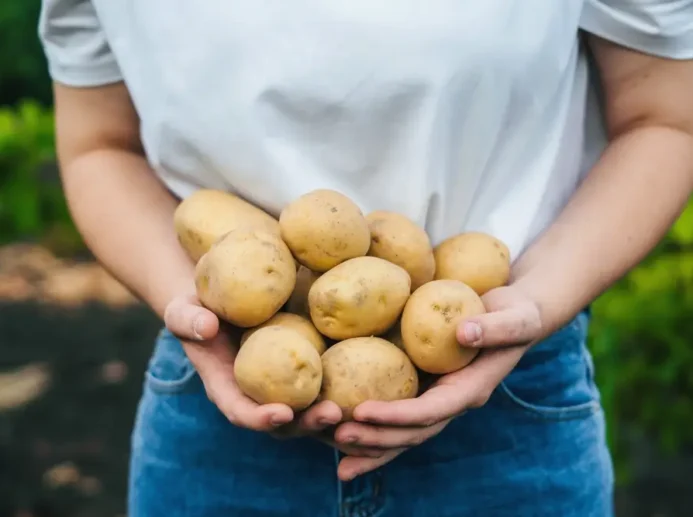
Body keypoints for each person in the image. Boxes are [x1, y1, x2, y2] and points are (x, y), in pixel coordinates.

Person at [37, 1, 693, 515]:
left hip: (508, 387)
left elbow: (664, 117)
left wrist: (535, 299)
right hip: (221, 394)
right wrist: (184, 298)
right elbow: (100, 144)